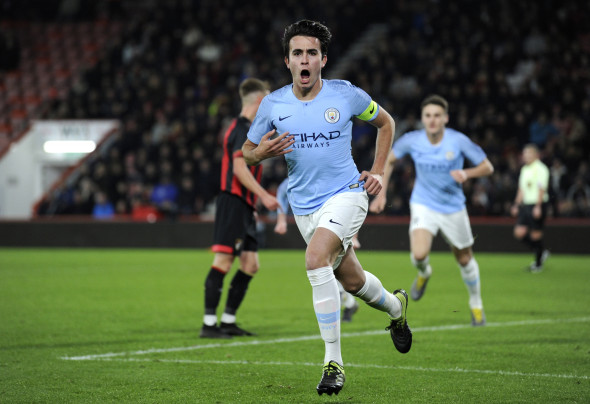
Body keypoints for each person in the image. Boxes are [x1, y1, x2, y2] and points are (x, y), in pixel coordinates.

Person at [242, 20, 411, 396]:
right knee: (353, 281)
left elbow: (387, 123)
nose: (305, 60)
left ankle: (332, 363)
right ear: (287, 61)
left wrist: (379, 172)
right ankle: (396, 309)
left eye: (312, 53)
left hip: (348, 193)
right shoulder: (273, 104)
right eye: (298, 53)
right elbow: (247, 153)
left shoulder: (345, 95)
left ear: (323, 59)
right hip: (305, 209)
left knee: (315, 258)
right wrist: (261, 154)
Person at [370, 94, 494, 327]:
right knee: (418, 254)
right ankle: (424, 273)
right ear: (422, 119)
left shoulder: (458, 141)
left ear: (445, 118)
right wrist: (382, 193)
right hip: (423, 204)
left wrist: (467, 174)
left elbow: (488, 166)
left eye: (437, 115)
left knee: (465, 259)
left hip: (453, 207)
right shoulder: (412, 140)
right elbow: (389, 159)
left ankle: (476, 305)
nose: (432, 120)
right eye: (428, 116)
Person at [200, 78, 280, 339]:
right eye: (267, 100)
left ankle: (228, 320)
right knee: (223, 260)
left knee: (250, 264)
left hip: (244, 205)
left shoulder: (250, 129)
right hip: (232, 201)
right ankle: (209, 325)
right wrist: (263, 196)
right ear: (259, 101)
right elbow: (238, 167)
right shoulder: (241, 128)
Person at [274, 178, 360, 323]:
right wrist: (281, 220)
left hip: (332, 224)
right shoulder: (297, 176)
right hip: (311, 224)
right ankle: (349, 304)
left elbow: (349, 199)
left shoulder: (326, 173)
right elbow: (281, 192)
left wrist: (354, 235)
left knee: (328, 268)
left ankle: (342, 309)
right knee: (328, 267)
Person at [510, 144, 550, 272]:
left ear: (536, 155)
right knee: (519, 232)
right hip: (526, 204)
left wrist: (538, 206)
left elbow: (541, 188)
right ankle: (541, 252)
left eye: (528, 153)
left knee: (535, 235)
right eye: (524, 153)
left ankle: (538, 264)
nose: (525, 156)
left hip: (537, 204)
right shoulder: (525, 169)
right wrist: (516, 204)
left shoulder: (541, 169)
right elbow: (522, 189)